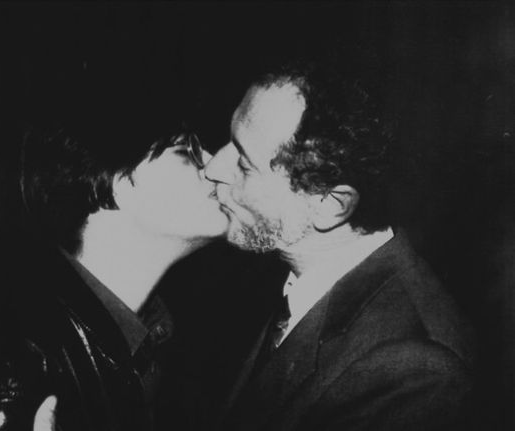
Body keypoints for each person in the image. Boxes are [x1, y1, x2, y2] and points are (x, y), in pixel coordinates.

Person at [203, 60, 475, 430]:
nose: (213, 168)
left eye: (245, 164)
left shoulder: (416, 370)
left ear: (329, 204)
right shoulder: (286, 280)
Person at [0, 110, 229, 430]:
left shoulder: (164, 343)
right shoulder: (23, 362)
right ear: (117, 182)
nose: (216, 163)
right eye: (186, 150)